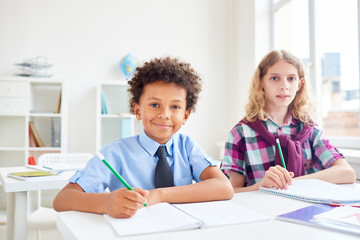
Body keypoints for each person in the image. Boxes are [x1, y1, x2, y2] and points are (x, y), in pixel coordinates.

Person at [53, 57, 234, 218]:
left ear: (186, 115)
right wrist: (105, 202)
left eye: (175, 107)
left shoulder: (187, 147)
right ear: (138, 110)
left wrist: (159, 195)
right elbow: (62, 200)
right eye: (154, 104)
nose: (164, 114)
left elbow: (224, 187)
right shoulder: (115, 153)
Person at [221, 50, 356, 193]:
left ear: (299, 84)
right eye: (274, 78)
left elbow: (347, 172)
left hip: (304, 210)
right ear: (261, 82)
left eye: (291, 79)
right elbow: (230, 191)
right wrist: (262, 186)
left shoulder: (309, 129)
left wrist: (290, 182)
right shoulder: (240, 133)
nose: (284, 86)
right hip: (261, 211)